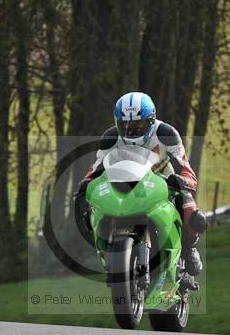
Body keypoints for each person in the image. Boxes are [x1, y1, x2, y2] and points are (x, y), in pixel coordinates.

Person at [73, 91, 207, 275]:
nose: (130, 130)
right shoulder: (111, 137)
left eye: (137, 124)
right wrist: (85, 184)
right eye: (124, 124)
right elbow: (97, 168)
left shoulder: (166, 133)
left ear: (151, 120)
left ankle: (189, 248)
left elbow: (186, 169)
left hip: (164, 183)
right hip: (126, 183)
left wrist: (182, 180)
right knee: (91, 209)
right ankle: (106, 248)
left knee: (190, 209)